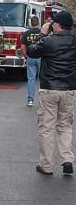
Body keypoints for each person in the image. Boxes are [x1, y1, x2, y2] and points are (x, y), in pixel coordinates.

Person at [27, 10, 76, 176]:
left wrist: (42, 33)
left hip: (49, 88)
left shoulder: (48, 41)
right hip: (69, 88)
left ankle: (46, 165)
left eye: (53, 22)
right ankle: (67, 159)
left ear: (58, 25)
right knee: (65, 125)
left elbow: (31, 51)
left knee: (46, 127)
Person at [21, 16, 41, 107]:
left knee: (31, 79)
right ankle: (43, 100)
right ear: (38, 23)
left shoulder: (26, 33)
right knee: (43, 79)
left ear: (30, 23)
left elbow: (22, 47)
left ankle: (30, 100)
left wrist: (26, 56)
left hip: (31, 57)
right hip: (41, 58)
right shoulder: (43, 33)